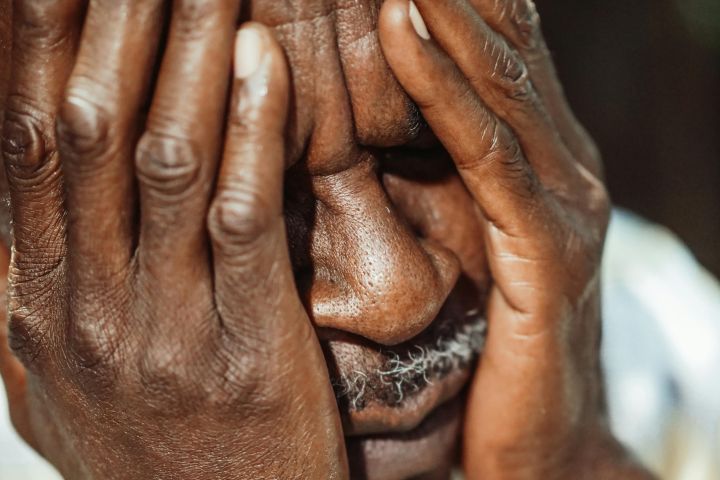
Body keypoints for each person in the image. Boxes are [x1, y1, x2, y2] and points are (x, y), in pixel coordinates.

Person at [0, 0, 658, 478]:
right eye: (247, 202)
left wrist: (578, 465)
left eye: (424, 151)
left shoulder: (652, 322)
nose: (397, 293)